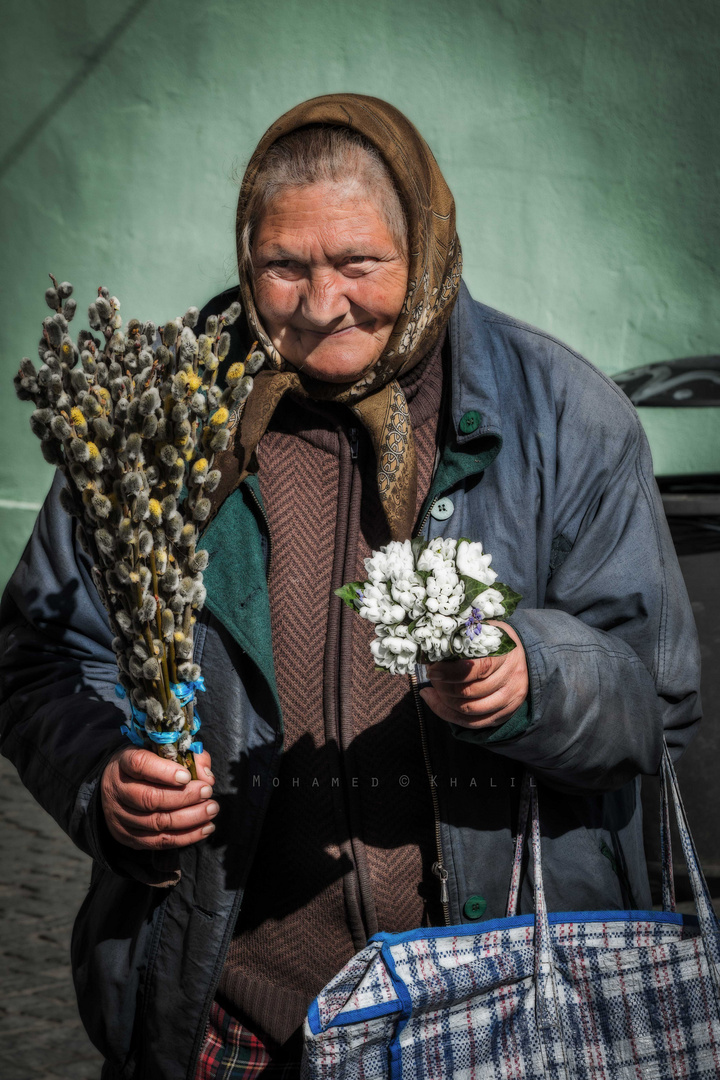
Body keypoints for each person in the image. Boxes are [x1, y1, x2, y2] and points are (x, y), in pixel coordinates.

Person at [0, 94, 701, 1080]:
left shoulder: (563, 419)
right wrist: (103, 775)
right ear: (247, 262)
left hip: (483, 1006)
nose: (322, 304)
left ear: (423, 248)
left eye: (359, 265)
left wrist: (528, 676)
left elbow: (658, 698)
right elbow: (39, 650)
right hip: (229, 1013)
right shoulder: (164, 417)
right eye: (286, 267)